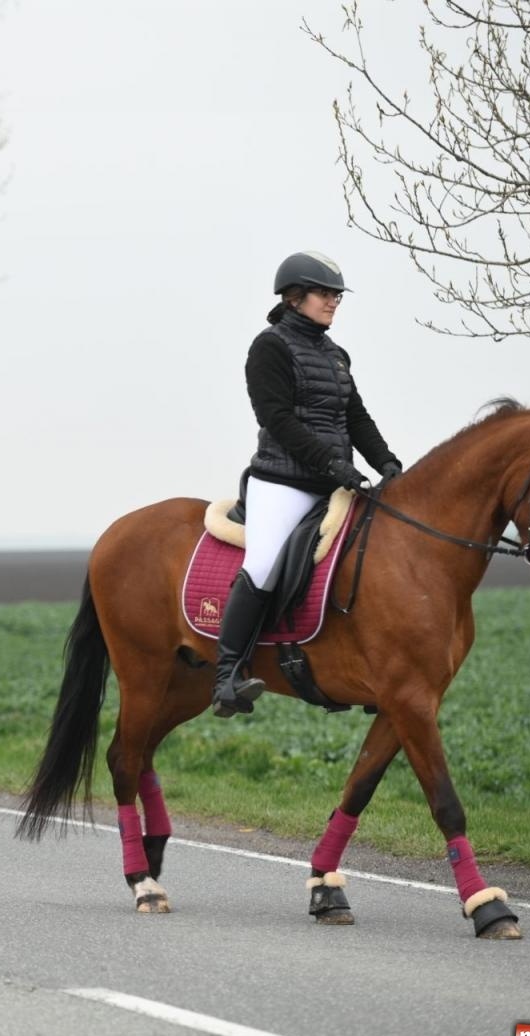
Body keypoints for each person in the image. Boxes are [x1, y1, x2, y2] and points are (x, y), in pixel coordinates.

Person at [213, 252, 403, 714]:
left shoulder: (335, 355)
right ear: (295, 297)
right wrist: (333, 466)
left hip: (333, 482)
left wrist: (389, 464)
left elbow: (355, 417)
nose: (334, 301)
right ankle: (226, 676)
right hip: (283, 482)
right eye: (326, 293)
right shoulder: (269, 347)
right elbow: (275, 419)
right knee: (264, 563)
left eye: (338, 294)